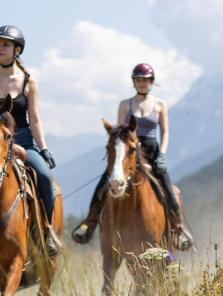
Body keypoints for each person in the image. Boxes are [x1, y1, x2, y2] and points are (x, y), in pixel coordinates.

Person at [71, 63, 193, 251]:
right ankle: (90, 222)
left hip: (151, 152)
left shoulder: (160, 104)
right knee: (104, 184)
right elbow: (120, 132)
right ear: (134, 82)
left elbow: (165, 132)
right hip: (128, 151)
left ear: (152, 82)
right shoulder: (125, 104)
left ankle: (178, 228)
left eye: (145, 80)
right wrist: (119, 156)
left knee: (168, 189)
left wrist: (162, 155)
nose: (141, 83)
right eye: (138, 80)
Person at [0, 25, 59, 257]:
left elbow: (35, 120)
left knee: (44, 176)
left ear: (17, 49)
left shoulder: (29, 82)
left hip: (25, 142)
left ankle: (46, 231)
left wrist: (43, 148)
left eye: (5, 44)